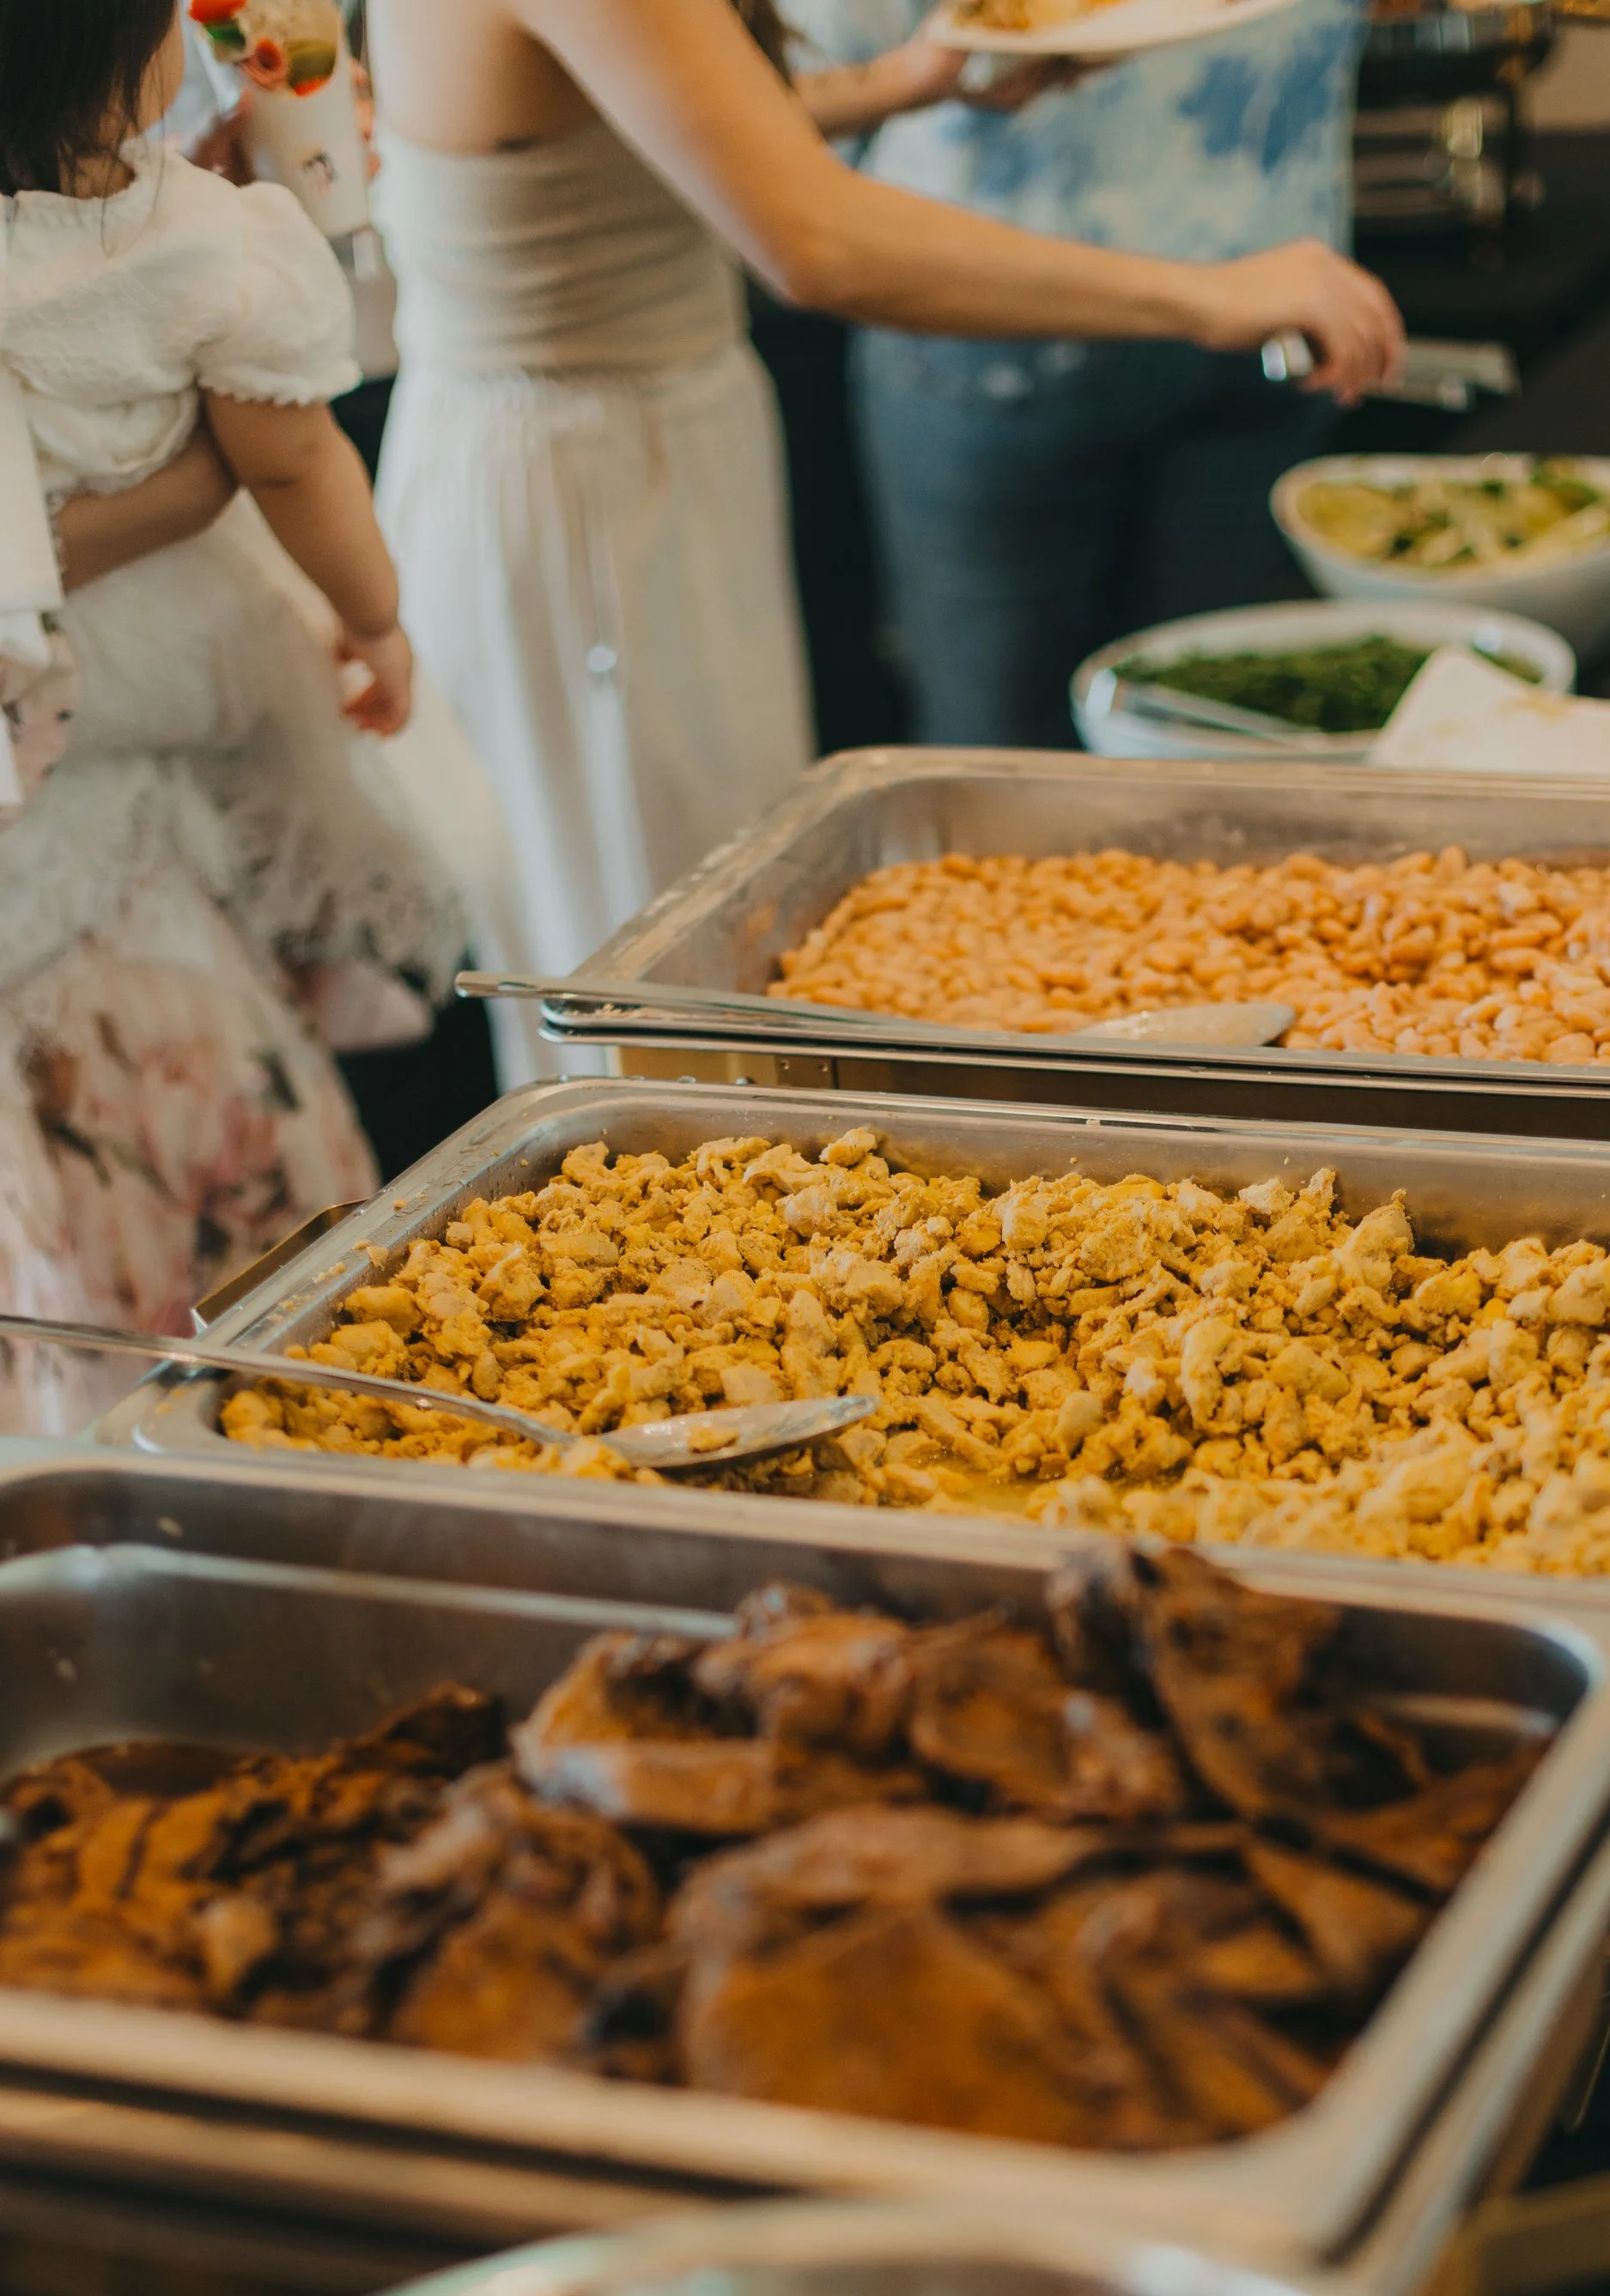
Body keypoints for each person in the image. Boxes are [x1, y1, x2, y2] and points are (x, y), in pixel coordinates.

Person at [365, 0, 1398, 1017]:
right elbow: (816, 241)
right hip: (581, 491)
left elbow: (679, 113)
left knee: (711, 929)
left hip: (641, 451)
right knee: (666, 958)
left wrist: (910, 81)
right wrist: (1211, 296)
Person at [0, 0, 467, 1418]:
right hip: (152, 750)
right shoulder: (210, 247)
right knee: (256, 1224)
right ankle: (267, 1436)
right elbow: (295, 463)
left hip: (66, 757)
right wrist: (379, 619)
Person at [788, 0, 1375, 745]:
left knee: (1218, 740)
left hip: (1279, 298)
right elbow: (770, 126)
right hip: (995, 318)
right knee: (1010, 764)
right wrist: (923, 74)